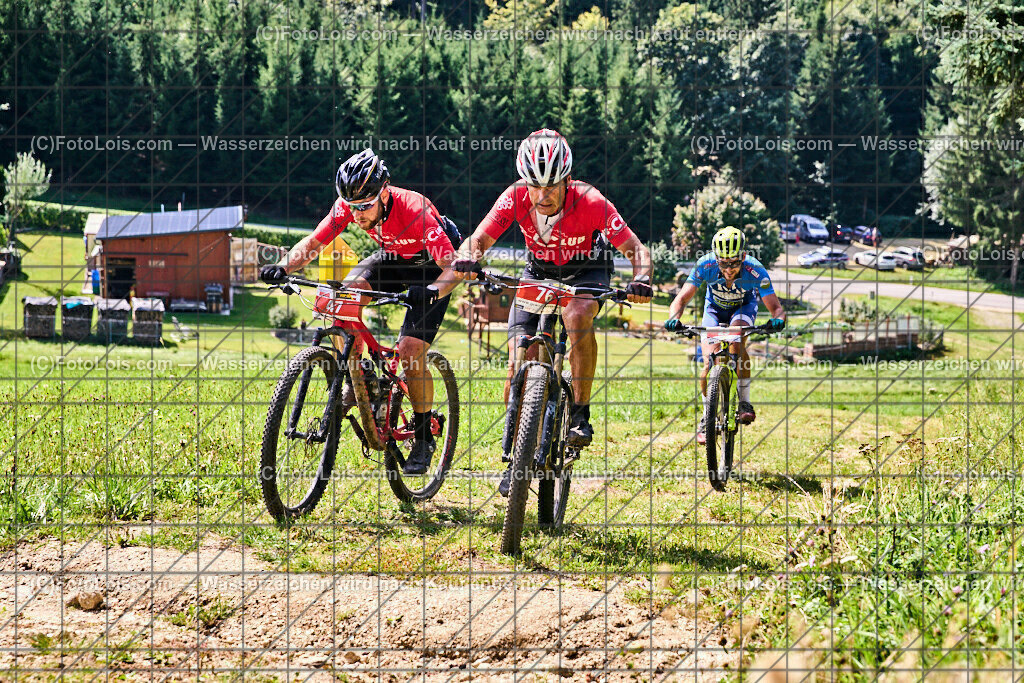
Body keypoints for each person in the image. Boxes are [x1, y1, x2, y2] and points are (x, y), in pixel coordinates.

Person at [452, 128, 653, 496]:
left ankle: (579, 413)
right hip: (540, 271)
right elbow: (479, 238)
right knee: (518, 361)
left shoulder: (591, 200)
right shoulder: (514, 196)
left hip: (587, 271)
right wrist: (468, 254)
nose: (542, 196)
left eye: (552, 187)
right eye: (534, 186)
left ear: (568, 180)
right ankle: (516, 453)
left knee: (577, 318)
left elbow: (637, 250)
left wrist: (641, 278)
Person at [260, 148, 461, 475]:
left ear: (384, 192)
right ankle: (361, 377)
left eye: (365, 206)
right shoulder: (348, 207)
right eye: (352, 207)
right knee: (342, 300)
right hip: (393, 258)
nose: (358, 215)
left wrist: (433, 292)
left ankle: (424, 436)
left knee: (410, 351)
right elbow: (313, 243)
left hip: (432, 268)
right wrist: (282, 267)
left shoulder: (415, 210)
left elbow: (452, 268)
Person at [663, 226, 786, 444]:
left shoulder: (756, 270)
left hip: (743, 309)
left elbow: (776, 308)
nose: (729, 269)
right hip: (714, 309)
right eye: (723, 262)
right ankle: (706, 417)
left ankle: (745, 402)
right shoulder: (705, 265)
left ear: (744, 256)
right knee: (708, 364)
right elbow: (680, 299)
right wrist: (674, 317)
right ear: (716, 258)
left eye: (734, 263)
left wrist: (778, 320)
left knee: (736, 344)